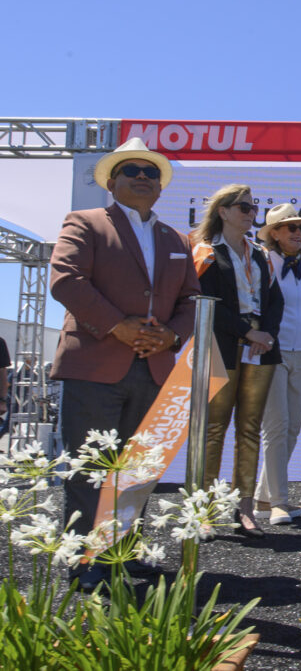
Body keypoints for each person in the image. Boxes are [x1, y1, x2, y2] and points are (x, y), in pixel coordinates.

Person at [50, 137, 199, 591]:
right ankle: (83, 561)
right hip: (94, 365)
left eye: (150, 172)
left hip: (154, 368)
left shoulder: (176, 238)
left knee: (137, 471)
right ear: (112, 181)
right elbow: (66, 280)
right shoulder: (85, 222)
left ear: (159, 187)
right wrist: (119, 326)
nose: (141, 177)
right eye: (131, 170)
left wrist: (171, 335)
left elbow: (193, 300)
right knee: (91, 467)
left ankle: (121, 553)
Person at [191, 184, 283, 540]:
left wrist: (267, 334)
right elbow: (206, 303)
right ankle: (204, 510)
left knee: (249, 428)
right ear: (223, 211)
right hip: (223, 345)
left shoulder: (259, 253)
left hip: (261, 348)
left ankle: (244, 509)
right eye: (243, 207)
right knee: (214, 428)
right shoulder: (206, 252)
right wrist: (248, 333)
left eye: (253, 207)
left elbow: (275, 301)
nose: (250, 213)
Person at [253, 204, 301, 527]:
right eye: (291, 227)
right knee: (276, 428)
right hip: (271, 351)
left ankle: (264, 497)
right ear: (274, 233)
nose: (298, 233)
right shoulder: (261, 263)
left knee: (292, 428)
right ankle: (279, 502)